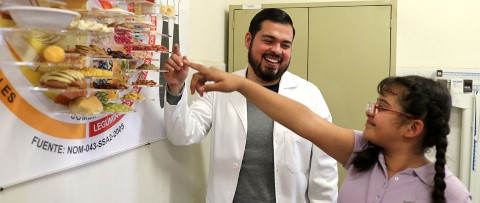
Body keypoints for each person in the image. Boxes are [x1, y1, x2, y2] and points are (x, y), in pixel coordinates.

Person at [185, 61, 473, 203]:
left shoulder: (449, 192)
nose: (370, 111)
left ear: (413, 128)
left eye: (382, 107)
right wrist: (241, 85)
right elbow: (303, 120)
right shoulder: (361, 152)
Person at [163, 8, 338, 203]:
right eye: (268, 40)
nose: (277, 50)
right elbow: (182, 135)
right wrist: (176, 87)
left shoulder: (309, 95)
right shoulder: (219, 89)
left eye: (285, 45)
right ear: (248, 40)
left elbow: (324, 172)